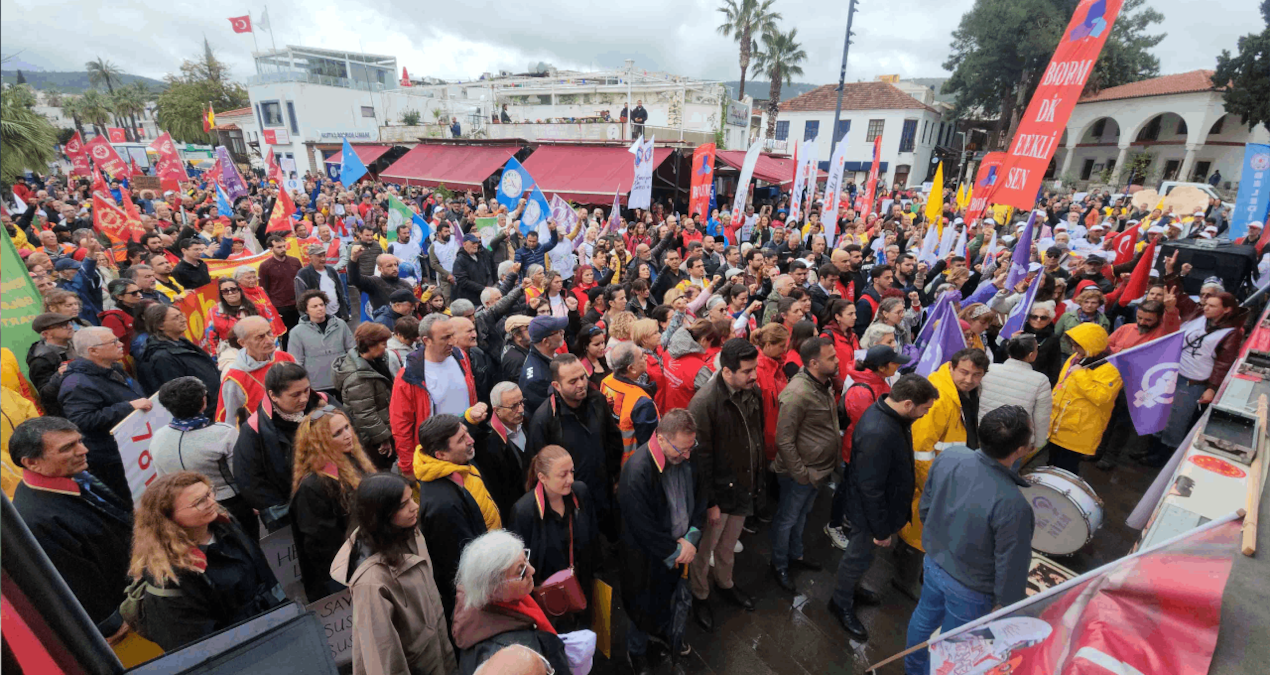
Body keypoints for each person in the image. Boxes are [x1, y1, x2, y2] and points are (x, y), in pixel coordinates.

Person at [903, 406, 1036, 674]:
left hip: (934, 562)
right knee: (955, 647)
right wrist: (1005, 607)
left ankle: (914, 668)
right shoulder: (1013, 505)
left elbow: (926, 507)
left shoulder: (951, 456)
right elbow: (1011, 566)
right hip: (972, 589)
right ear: (1020, 449)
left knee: (923, 617)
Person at [827, 374, 940, 641]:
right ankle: (841, 602)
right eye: (925, 409)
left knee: (864, 558)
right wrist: (880, 529)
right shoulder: (880, 430)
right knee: (857, 558)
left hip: (880, 511)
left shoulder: (894, 418)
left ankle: (852, 590)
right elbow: (870, 487)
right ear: (909, 404)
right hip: (870, 516)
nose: (925, 414)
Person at [125, 472, 286, 651]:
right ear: (168, 518)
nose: (211, 503)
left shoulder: (224, 524)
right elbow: (197, 647)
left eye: (209, 493)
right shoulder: (169, 578)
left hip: (272, 627)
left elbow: (262, 572)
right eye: (199, 502)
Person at [10, 417, 134, 642]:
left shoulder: (74, 473)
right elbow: (80, 586)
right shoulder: (36, 522)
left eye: (79, 441)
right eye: (68, 447)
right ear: (31, 463)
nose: (83, 450)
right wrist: (112, 624)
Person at [330, 473, 457, 675]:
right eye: (403, 504)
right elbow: (383, 660)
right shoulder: (371, 582)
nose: (415, 507)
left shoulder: (410, 533)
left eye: (412, 499)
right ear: (381, 514)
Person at [682, 338, 763, 628]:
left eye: (755, 368)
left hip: (742, 486)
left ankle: (726, 584)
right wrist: (711, 502)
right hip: (718, 494)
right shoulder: (704, 403)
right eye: (747, 371)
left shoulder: (752, 391)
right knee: (704, 553)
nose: (754, 375)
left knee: (728, 547)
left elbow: (755, 438)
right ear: (727, 372)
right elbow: (699, 460)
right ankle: (700, 596)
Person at [618, 409, 706, 674]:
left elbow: (701, 495)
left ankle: (665, 633)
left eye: (691, 447)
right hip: (648, 560)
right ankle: (636, 651)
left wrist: (691, 538)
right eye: (682, 450)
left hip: (680, 551)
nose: (688, 455)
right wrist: (678, 551)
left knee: (666, 601)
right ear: (663, 439)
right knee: (642, 608)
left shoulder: (687, 453)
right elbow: (644, 528)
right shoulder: (637, 471)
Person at [901, 348, 989, 555]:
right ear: (951, 367)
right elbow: (921, 450)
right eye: (964, 372)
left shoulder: (966, 391)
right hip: (933, 481)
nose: (969, 379)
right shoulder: (939, 399)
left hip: (949, 475)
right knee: (918, 531)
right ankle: (906, 568)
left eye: (977, 374)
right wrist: (932, 488)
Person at [1140, 292, 1244, 467]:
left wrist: (1212, 387)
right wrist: (1172, 272)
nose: (1206, 307)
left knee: (1176, 421)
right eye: (1206, 303)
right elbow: (1179, 297)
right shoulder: (1198, 314)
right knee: (1160, 413)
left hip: (1192, 382)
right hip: (1171, 373)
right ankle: (1150, 450)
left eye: (1212, 306)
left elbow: (1223, 363)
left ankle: (1162, 459)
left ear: (1226, 310)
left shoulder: (1231, 333)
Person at [526, 354, 624, 540]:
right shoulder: (544, 420)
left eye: (583, 377)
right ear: (556, 386)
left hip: (604, 496)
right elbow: (536, 472)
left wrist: (615, 477)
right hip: (571, 504)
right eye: (573, 381)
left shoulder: (597, 401)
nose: (581, 384)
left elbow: (613, 440)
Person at [769, 336, 839, 592]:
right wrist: (801, 474)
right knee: (787, 520)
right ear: (813, 363)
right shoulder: (798, 393)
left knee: (801, 516)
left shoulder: (823, 383)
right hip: (800, 474)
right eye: (831, 357)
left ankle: (795, 556)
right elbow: (783, 440)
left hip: (816, 471)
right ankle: (779, 565)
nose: (837, 360)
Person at [450, 530, 572, 675]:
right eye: (520, 571)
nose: (531, 570)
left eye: (526, 559)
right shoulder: (513, 655)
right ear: (495, 589)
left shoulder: (475, 604)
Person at [414, 413, 497, 623]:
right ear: (440, 454)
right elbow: (461, 566)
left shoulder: (459, 466)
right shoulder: (443, 505)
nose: (471, 440)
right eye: (461, 440)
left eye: (466, 433)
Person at [826, 345, 911, 549]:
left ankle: (845, 517)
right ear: (882, 368)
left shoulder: (879, 382)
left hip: (865, 451)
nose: (898, 365)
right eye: (894, 363)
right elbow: (870, 427)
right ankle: (834, 524)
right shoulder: (862, 391)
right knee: (846, 489)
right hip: (856, 452)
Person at [150, 377, 255, 538]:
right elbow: (242, 475)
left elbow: (162, 482)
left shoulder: (158, 437)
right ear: (203, 401)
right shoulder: (224, 433)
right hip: (228, 506)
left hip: (184, 510)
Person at [233, 361, 333, 531]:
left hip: (334, 496)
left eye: (306, 390)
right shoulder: (255, 429)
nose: (304, 398)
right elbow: (250, 481)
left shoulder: (325, 404)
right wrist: (290, 506)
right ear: (273, 395)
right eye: (295, 395)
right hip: (290, 511)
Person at [290, 405, 376, 601]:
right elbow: (322, 549)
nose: (348, 435)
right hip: (344, 580)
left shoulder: (352, 462)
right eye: (337, 433)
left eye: (347, 427)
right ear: (321, 443)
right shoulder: (312, 488)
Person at [509, 445, 600, 629]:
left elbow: (593, 538)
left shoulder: (580, 493)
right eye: (563, 475)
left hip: (581, 590)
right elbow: (519, 565)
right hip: (548, 602)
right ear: (542, 477)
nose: (571, 480)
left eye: (572, 472)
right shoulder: (524, 512)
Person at [57, 326, 151, 498]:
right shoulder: (77, 383)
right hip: (114, 459)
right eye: (114, 342)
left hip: (134, 448)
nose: (121, 344)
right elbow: (83, 420)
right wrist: (129, 407)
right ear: (93, 351)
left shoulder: (112, 369)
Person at [390, 314, 480, 475]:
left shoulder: (461, 357)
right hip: (439, 456)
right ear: (426, 341)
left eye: (452, 335)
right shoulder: (409, 376)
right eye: (445, 338)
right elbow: (401, 425)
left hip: (469, 442)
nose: (452, 341)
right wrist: (408, 466)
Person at [1045, 323, 1122, 475]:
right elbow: (1062, 384)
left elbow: (1101, 397)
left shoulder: (1111, 368)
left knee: (1066, 470)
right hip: (1057, 423)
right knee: (1051, 464)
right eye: (1073, 345)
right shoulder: (1076, 358)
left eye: (1078, 346)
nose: (1073, 349)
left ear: (1092, 345)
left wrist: (1080, 374)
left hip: (1078, 430)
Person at [333, 322, 398, 471]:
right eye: (383, 343)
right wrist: (383, 439)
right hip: (373, 441)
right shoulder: (357, 377)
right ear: (370, 345)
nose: (386, 347)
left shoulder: (375, 361)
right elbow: (365, 414)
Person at [978, 335, 1052, 457]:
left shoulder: (990, 369)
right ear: (1031, 355)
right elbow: (1041, 416)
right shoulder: (1040, 380)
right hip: (1016, 439)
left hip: (984, 432)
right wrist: (1037, 442)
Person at [216, 316, 298, 423]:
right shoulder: (235, 379)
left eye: (269, 333)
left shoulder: (286, 358)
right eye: (260, 337)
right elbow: (230, 421)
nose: (269, 340)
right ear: (243, 343)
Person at [470, 381, 530, 524]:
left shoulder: (528, 422)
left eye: (522, 402)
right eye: (513, 406)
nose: (521, 409)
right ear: (496, 410)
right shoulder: (488, 444)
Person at [135, 304, 222, 403]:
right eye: (176, 318)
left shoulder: (181, 342)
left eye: (181, 315)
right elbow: (180, 395)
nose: (183, 319)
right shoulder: (162, 357)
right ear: (160, 326)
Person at [600, 340, 660, 465]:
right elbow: (649, 446)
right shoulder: (642, 402)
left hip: (611, 458)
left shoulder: (606, 381)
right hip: (632, 464)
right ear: (631, 368)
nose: (645, 358)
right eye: (641, 357)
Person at [287, 290, 355, 397]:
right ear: (306, 310)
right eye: (314, 306)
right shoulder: (297, 332)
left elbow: (352, 349)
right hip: (316, 385)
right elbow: (296, 362)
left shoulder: (340, 325)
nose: (320, 308)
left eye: (321, 305)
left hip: (343, 380)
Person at [519, 316, 569, 415]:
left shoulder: (550, 355)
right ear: (546, 341)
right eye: (558, 331)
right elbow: (551, 414)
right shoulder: (536, 380)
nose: (562, 332)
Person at [258, 234, 304, 342]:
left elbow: (302, 282)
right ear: (270, 249)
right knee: (286, 336)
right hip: (280, 307)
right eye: (279, 247)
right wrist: (272, 309)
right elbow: (264, 289)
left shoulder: (295, 262)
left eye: (284, 246)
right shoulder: (265, 266)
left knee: (302, 333)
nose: (283, 249)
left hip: (298, 304)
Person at [294, 243, 350, 322]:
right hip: (318, 318)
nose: (323, 259)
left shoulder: (331, 271)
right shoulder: (303, 274)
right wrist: (307, 320)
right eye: (319, 256)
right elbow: (300, 300)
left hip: (337, 314)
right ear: (310, 257)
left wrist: (344, 312)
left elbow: (341, 293)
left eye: (324, 255)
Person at [204, 277, 259, 355]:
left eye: (233, 289)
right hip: (231, 353)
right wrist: (214, 360)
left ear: (239, 290)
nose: (230, 293)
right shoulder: (214, 313)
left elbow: (271, 330)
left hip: (257, 349)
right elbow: (210, 340)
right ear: (221, 294)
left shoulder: (255, 307)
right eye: (225, 291)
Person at [26, 312, 77, 393]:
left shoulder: (77, 345)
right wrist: (59, 375)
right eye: (64, 326)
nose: (70, 327)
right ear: (46, 334)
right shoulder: (41, 360)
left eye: (70, 323)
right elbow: (45, 393)